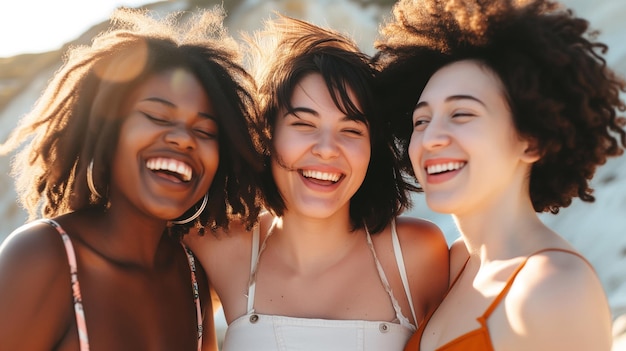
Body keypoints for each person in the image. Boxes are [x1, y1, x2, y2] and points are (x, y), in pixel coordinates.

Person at [0, 7, 264, 351]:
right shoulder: (42, 256)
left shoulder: (192, 276)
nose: (183, 139)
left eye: (204, 130)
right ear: (107, 131)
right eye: (156, 116)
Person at [184, 14, 449, 351]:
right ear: (266, 136)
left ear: (373, 151)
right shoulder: (218, 248)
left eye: (351, 130)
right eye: (304, 125)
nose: (326, 150)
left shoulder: (417, 254)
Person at [373, 0, 626, 350]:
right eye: (421, 120)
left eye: (461, 114)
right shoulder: (458, 264)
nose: (431, 138)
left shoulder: (552, 288)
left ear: (532, 141)